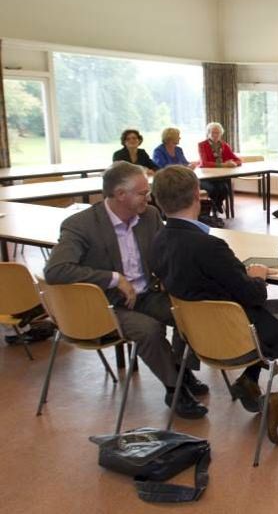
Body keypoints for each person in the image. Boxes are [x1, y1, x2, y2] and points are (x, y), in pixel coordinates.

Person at [150, 165, 278, 445]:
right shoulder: (208, 246)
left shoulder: (158, 240)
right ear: (196, 194)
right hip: (238, 335)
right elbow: (254, 297)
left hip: (200, 335)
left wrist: (240, 273)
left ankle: (249, 379)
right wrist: (258, 277)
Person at [43, 161, 209, 419]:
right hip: (108, 304)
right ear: (121, 195)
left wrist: (170, 275)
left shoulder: (150, 215)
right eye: (143, 193)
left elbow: (162, 252)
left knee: (187, 310)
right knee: (149, 330)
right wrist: (113, 278)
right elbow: (55, 271)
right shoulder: (81, 225)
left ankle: (180, 367)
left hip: (147, 294)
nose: (150, 197)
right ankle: (174, 388)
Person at [197, 121, 242, 216]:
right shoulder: (202, 145)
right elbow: (204, 163)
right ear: (208, 133)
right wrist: (223, 165)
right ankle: (214, 207)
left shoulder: (224, 145)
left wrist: (233, 163)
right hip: (207, 176)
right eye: (213, 132)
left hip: (220, 176)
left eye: (217, 132)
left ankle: (217, 204)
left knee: (225, 189)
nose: (215, 135)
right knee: (212, 189)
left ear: (221, 134)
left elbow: (238, 160)